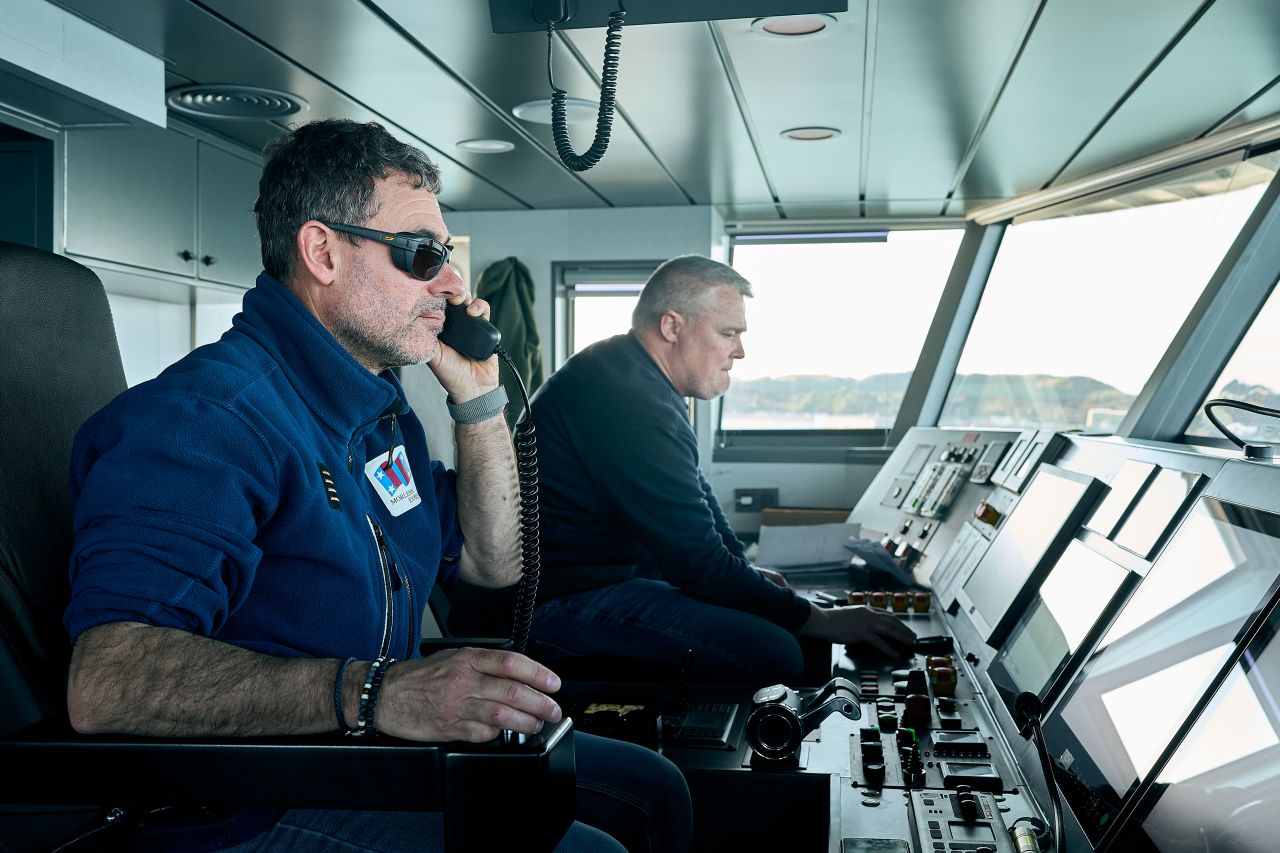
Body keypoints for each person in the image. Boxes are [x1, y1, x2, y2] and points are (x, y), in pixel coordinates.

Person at [62, 119, 691, 853]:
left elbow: (495, 563)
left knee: (652, 788)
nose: (452, 285)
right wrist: (374, 692)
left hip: (356, 753)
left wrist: (479, 401)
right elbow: (105, 681)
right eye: (423, 254)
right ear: (323, 253)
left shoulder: (377, 414)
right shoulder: (207, 420)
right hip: (242, 802)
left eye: (446, 257)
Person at [479, 256, 917, 684]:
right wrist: (824, 619)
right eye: (728, 333)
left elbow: (698, 499)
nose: (739, 351)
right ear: (672, 327)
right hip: (545, 606)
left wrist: (746, 571)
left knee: (786, 622)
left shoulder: (629, 373)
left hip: (601, 578)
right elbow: (699, 566)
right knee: (779, 652)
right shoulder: (633, 403)